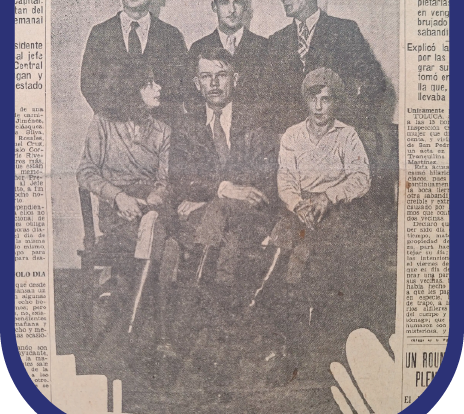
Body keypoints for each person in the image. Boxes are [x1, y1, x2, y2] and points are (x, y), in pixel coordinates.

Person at [264, 67, 373, 381]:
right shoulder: (293, 135)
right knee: (281, 242)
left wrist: (329, 197)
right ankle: (271, 317)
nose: (320, 106)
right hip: (298, 207)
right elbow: (285, 179)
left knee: (308, 252)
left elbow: (361, 178)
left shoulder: (347, 135)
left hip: (333, 210)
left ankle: (300, 346)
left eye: (327, 99)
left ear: (335, 102)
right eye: (314, 99)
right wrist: (298, 204)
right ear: (306, 101)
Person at [76, 62, 177, 354]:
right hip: (117, 211)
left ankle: (134, 334)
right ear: (132, 90)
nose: (159, 89)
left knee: (159, 231)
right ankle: (160, 338)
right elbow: (85, 172)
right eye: (150, 84)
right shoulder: (103, 124)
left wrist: (155, 200)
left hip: (151, 207)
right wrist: (118, 197)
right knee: (167, 246)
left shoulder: (162, 131)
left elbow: (164, 180)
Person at [169, 47, 277, 296]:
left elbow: (263, 179)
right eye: (206, 76)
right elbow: (180, 178)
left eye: (222, 75)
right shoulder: (187, 125)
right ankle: (220, 307)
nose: (214, 84)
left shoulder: (257, 121)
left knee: (215, 217)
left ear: (236, 79)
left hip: (250, 214)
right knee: (224, 235)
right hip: (210, 220)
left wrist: (212, 197)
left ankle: (196, 300)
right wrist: (223, 190)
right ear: (197, 83)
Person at [261, 0, 386, 133]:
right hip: (292, 139)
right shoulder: (277, 40)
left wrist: (354, 121)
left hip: (336, 135)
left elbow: (375, 79)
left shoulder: (344, 30)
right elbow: (267, 94)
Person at [80, 0, 188, 122]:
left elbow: (178, 87)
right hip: (114, 129)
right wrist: (124, 115)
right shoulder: (100, 33)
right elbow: (89, 85)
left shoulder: (171, 35)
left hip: (159, 132)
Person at [187, 0, 267, 109]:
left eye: (237, 2)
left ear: (245, 6)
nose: (232, 10)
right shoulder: (198, 48)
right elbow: (192, 97)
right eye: (225, 3)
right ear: (214, 7)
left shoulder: (264, 46)